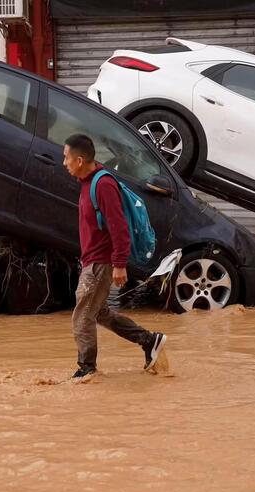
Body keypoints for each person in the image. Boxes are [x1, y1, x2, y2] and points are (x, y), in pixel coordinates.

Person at [63, 134, 166, 380]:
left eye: (66, 158)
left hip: (101, 262)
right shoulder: (87, 183)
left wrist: (119, 264)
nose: (64, 163)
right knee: (98, 313)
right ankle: (150, 341)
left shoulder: (103, 184)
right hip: (91, 261)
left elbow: (119, 227)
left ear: (79, 160)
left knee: (83, 314)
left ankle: (86, 369)